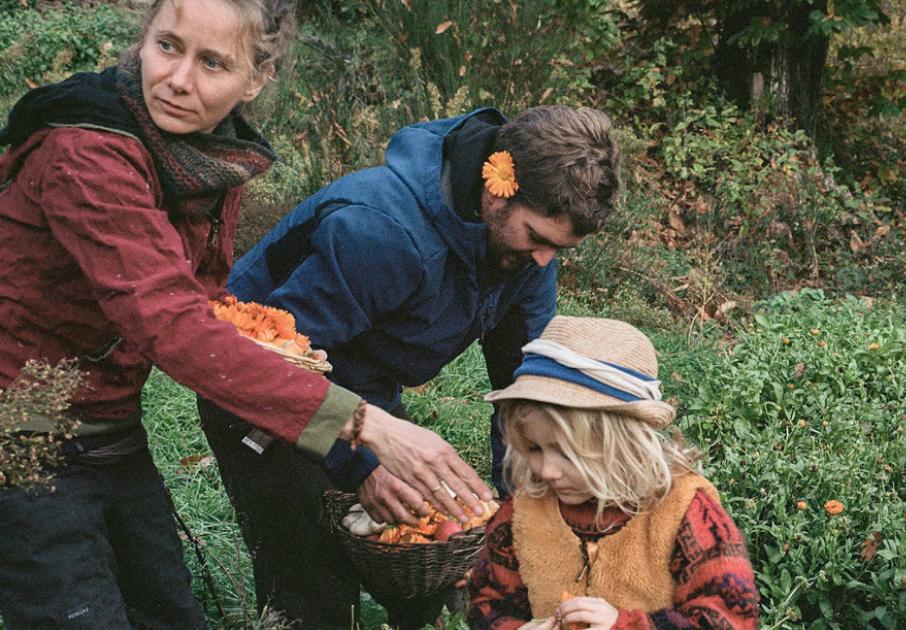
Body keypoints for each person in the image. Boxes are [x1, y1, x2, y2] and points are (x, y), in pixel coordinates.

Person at [0, 0, 493, 626]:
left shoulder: (211, 160)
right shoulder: (86, 151)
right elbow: (166, 321)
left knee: (168, 610)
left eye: (212, 63)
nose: (178, 79)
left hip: (106, 423)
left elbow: (199, 296)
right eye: (167, 46)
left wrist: (272, 351)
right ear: (144, 38)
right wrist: (363, 422)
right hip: (20, 426)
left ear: (255, 80)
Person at [196, 105, 619, 627]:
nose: (543, 261)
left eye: (559, 248)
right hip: (257, 388)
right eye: (537, 238)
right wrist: (361, 467)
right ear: (497, 191)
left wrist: (519, 515)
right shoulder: (382, 232)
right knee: (316, 586)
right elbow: (278, 371)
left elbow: (526, 390)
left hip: (365, 382)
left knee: (430, 560)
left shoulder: (525, 256)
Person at [467, 315, 760, 629]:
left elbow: (732, 617)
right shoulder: (523, 514)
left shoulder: (683, 511)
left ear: (624, 443)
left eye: (567, 452)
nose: (548, 471)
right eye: (535, 449)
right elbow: (487, 604)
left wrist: (628, 626)